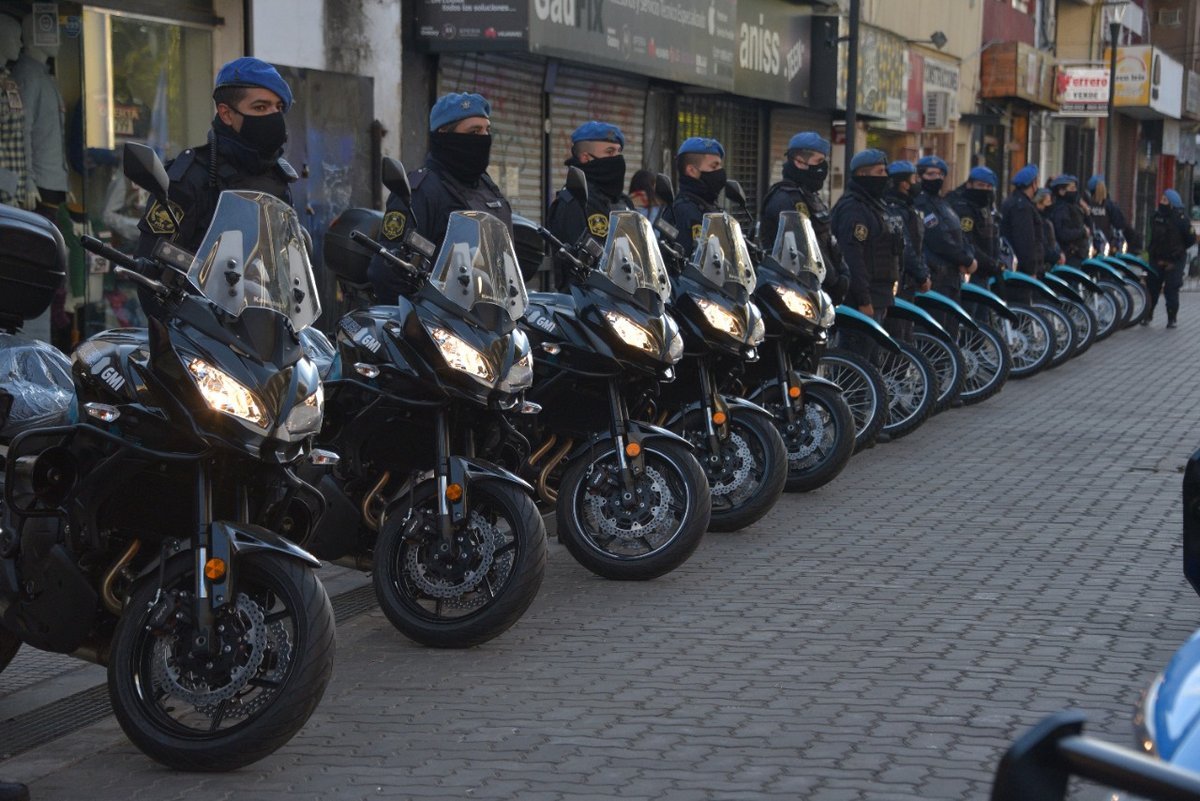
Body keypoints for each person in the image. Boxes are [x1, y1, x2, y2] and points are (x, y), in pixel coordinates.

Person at [135, 57, 297, 258]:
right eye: (260, 107)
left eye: (278, 107)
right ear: (226, 114)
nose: (273, 116)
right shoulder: (190, 178)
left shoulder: (277, 176)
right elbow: (151, 262)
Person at [369, 91, 512, 303]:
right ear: (444, 135)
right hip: (442, 317)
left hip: (492, 314)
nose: (483, 139)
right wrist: (417, 317)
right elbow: (389, 271)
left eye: (487, 130)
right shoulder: (420, 191)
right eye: (474, 132)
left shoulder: (487, 187)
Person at [759, 131, 850, 304]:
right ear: (799, 162)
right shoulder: (784, 199)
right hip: (795, 293)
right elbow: (804, 246)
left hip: (819, 289)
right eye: (818, 161)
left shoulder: (810, 196)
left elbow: (827, 240)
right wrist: (834, 281)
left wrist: (843, 273)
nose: (823, 167)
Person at [546, 121, 631, 288]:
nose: (617, 158)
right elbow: (574, 267)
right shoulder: (573, 202)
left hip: (625, 295)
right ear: (585, 157)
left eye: (619, 151)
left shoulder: (623, 202)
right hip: (584, 298)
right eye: (610, 152)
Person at [830, 148, 901, 325]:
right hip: (862, 299)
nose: (885, 176)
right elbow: (852, 257)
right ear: (863, 174)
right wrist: (864, 299)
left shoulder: (874, 205)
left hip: (879, 296)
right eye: (880, 172)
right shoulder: (854, 208)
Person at [913, 155, 975, 332]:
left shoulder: (944, 204)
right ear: (920, 176)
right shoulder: (921, 204)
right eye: (931, 174)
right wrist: (966, 260)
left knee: (951, 330)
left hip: (953, 278)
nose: (937, 178)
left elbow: (961, 235)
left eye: (940, 174)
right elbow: (938, 240)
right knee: (935, 332)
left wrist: (969, 256)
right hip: (936, 277)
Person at [661, 136, 726, 258]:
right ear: (691, 170)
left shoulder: (711, 207)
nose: (720, 171)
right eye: (714, 166)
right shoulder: (679, 212)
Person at [1147, 188, 1196, 328]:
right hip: (1157, 258)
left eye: (1165, 200)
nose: (1161, 202)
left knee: (1171, 289)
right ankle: (1147, 314)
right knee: (1152, 288)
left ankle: (1172, 318)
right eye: (1162, 199)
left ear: (1172, 203)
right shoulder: (1155, 216)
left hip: (1174, 260)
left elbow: (1191, 238)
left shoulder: (1181, 220)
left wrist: (1178, 250)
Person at [947, 166, 1001, 287]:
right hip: (971, 271)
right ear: (969, 184)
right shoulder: (963, 207)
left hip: (985, 272)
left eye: (989, 186)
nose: (985, 189)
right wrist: (990, 263)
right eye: (981, 185)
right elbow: (967, 242)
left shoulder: (984, 205)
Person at [999, 164, 1043, 279]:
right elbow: (1025, 240)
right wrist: (1031, 270)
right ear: (1033, 183)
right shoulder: (1022, 207)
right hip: (1021, 272)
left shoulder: (1013, 201)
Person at [1048, 174, 1089, 267]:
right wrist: (1082, 232)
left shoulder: (1073, 207)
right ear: (1061, 191)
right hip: (1070, 257)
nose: (1075, 191)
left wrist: (1087, 212)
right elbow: (1063, 233)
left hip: (1079, 255)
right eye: (1072, 188)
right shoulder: (1061, 210)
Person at [1034, 188, 1063, 272]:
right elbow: (1044, 244)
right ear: (1039, 203)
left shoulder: (1046, 220)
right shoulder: (1039, 221)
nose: (1050, 205)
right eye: (1048, 202)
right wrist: (1057, 256)